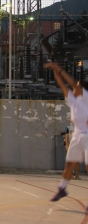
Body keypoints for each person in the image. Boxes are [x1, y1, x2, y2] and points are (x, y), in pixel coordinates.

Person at [45, 62, 88, 209]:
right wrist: (54, 71)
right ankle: (62, 188)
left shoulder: (86, 97)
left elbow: (69, 81)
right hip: (77, 134)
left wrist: (60, 69)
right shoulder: (73, 100)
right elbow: (62, 85)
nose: (73, 87)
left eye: (77, 86)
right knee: (69, 163)